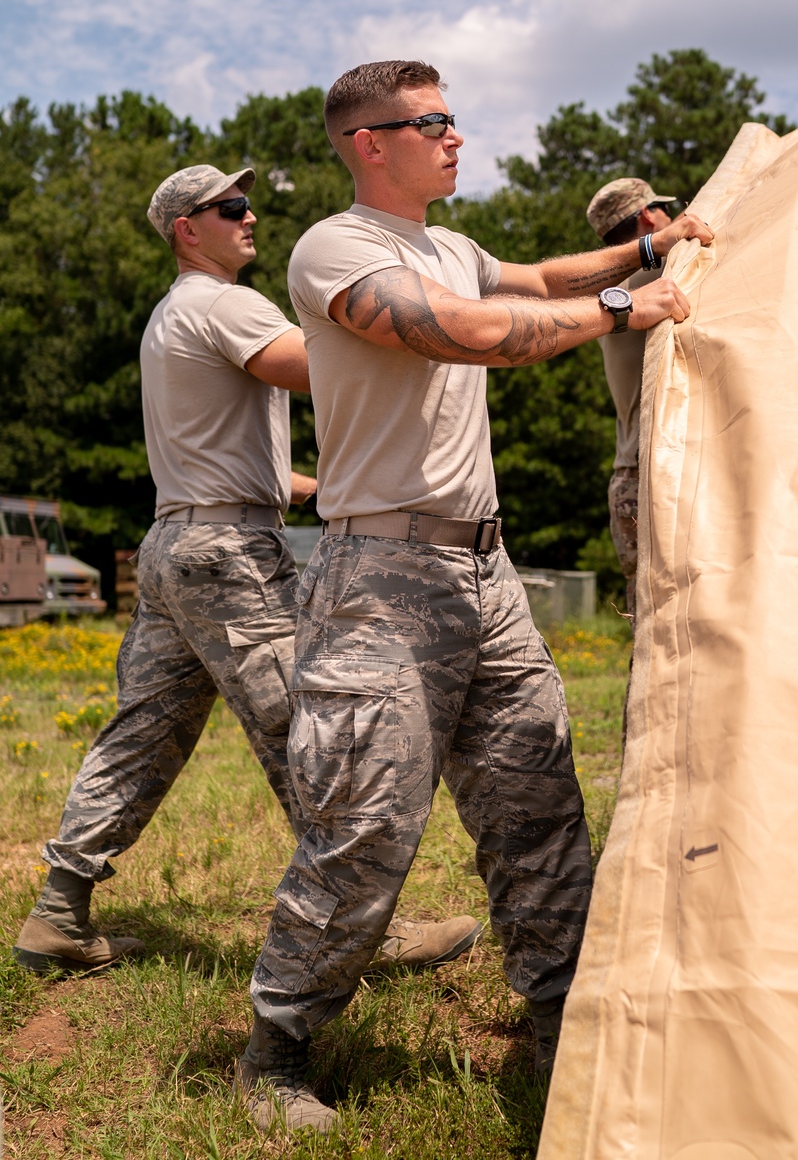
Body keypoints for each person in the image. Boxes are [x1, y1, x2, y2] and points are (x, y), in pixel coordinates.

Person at [235, 60, 714, 1134]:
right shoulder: (337, 249)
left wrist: (647, 246)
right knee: (366, 821)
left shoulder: (450, 244)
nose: (456, 137)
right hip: (379, 577)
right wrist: (624, 304)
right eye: (432, 122)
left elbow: (537, 280)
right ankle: (276, 1052)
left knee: (536, 794)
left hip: (483, 574)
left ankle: (561, 1021)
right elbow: (467, 330)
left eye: (453, 118)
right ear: (370, 142)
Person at [13, 163, 479, 980]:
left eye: (247, 202)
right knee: (311, 731)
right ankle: (369, 926)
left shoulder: (172, 315)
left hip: (175, 548)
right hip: (229, 560)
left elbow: (225, 460)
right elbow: (325, 361)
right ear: (186, 230)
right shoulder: (228, 303)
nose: (250, 214)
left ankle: (58, 912)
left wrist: (315, 486)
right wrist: (412, 311)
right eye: (230, 207)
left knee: (141, 736)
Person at [585, 178, 688, 623]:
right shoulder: (657, 278)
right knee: (671, 625)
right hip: (653, 475)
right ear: (649, 217)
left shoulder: (619, 288)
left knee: (651, 627)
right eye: (669, 211)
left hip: (633, 475)